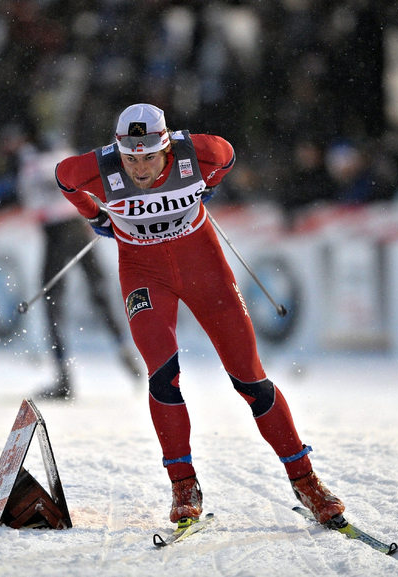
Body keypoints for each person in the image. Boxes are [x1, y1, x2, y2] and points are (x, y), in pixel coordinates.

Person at [54, 103, 344, 525]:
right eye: (131, 159)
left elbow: (225, 155)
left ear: (166, 145)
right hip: (144, 273)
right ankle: (183, 485)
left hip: (204, 268)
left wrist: (206, 184)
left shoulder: (196, 154)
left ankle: (306, 480)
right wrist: (94, 214)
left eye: (149, 157)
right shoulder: (97, 168)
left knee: (250, 380)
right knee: (162, 374)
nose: (139, 169)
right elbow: (64, 178)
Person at [10, 123, 143, 399]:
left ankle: (63, 376)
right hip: (77, 226)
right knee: (100, 291)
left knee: (52, 301)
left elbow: (29, 202)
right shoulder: (67, 156)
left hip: (55, 233)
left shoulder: (31, 164)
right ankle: (124, 348)